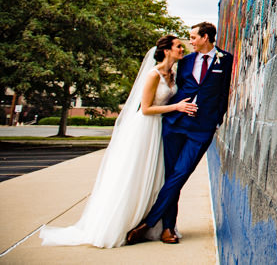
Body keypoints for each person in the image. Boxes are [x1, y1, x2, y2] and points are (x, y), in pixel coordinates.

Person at [39, 35, 197, 248]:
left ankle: (154, 224)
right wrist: (175, 108)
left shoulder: (173, 74)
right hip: (145, 128)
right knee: (134, 174)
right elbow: (147, 108)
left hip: (162, 129)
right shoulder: (153, 75)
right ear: (166, 50)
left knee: (157, 177)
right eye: (178, 46)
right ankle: (120, 223)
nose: (182, 49)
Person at [127, 22, 232, 245]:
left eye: (193, 37)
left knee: (181, 173)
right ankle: (167, 228)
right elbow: (178, 90)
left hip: (202, 130)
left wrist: (216, 120)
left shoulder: (226, 59)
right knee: (170, 175)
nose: (190, 41)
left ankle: (148, 222)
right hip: (175, 125)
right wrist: (176, 110)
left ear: (205, 38)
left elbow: (224, 94)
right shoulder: (184, 63)